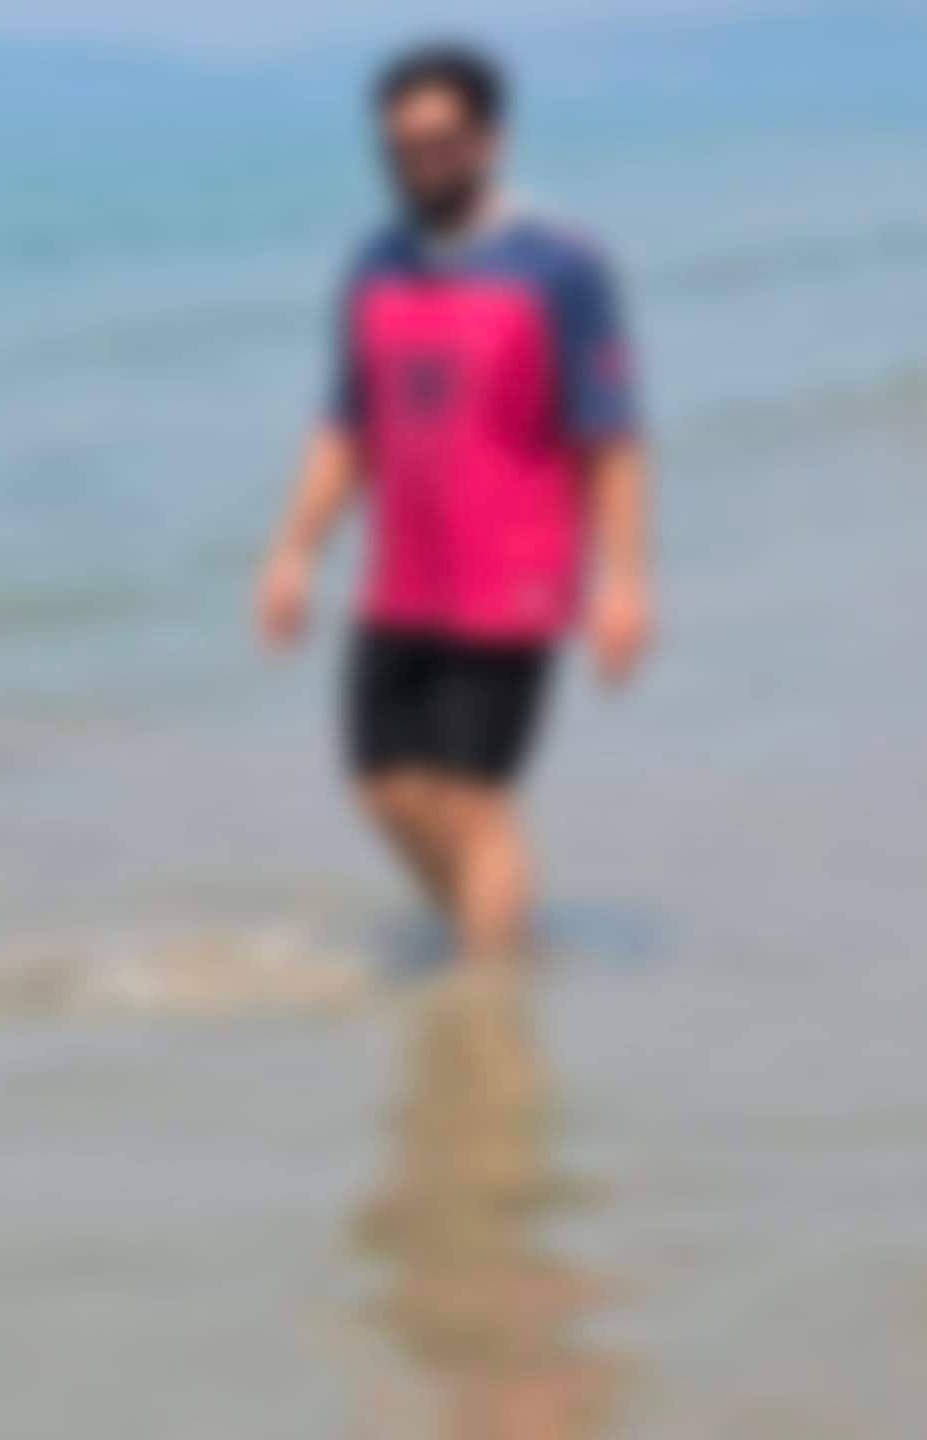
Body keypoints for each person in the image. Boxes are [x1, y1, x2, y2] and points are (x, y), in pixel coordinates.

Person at [256, 43, 652, 962]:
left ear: (488, 141)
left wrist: (624, 581)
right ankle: (504, 940)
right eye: (401, 147)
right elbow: (345, 426)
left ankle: (488, 992)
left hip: (514, 574)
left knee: (475, 799)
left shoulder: (560, 264)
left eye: (439, 143)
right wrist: (293, 553)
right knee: (384, 788)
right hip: (403, 578)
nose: (420, 163)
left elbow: (610, 435)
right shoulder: (376, 263)